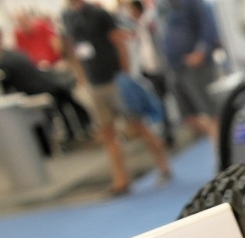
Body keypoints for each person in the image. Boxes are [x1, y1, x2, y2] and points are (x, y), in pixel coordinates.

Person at [61, 0, 171, 195]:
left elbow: (119, 42)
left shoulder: (99, 14)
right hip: (94, 83)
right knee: (107, 132)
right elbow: (72, 48)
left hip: (115, 80)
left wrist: (124, 75)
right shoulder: (68, 17)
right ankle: (121, 179)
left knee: (138, 125)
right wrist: (81, 76)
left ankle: (163, 166)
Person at [0, 25, 93, 148]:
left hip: (42, 88)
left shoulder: (4, 60)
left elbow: (6, 86)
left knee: (62, 105)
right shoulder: (15, 54)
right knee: (66, 103)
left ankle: (73, 133)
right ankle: (77, 132)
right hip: (49, 83)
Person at [156, 0, 218, 140]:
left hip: (195, 66)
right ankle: (219, 138)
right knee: (188, 117)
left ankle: (222, 147)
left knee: (211, 112)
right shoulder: (162, 6)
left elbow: (208, 25)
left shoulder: (192, 2)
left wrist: (201, 52)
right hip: (174, 67)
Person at [127, 0, 174, 147]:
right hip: (149, 69)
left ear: (137, 9)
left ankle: (169, 130)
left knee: (167, 98)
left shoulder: (150, 22)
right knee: (159, 101)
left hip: (161, 67)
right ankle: (167, 131)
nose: (130, 14)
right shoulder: (138, 27)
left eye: (131, 10)